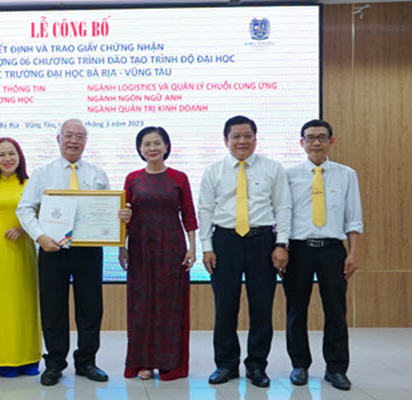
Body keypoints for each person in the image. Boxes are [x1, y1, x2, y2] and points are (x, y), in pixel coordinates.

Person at [16, 118, 132, 386]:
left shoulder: (97, 173)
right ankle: (55, 363)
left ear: (86, 142)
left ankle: (87, 361)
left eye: (80, 136)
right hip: (52, 248)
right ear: (58, 139)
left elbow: (108, 211)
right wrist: (41, 237)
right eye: (68, 135)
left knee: (91, 307)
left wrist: (121, 217)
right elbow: (24, 208)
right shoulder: (43, 173)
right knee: (53, 307)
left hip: (89, 250)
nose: (74, 141)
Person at [198, 115, 291, 388]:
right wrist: (207, 247)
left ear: (255, 138)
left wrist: (281, 244)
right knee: (225, 306)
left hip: (262, 242)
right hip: (225, 242)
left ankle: (257, 366)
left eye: (247, 135)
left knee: (261, 307)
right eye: (236, 136)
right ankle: (226, 364)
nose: (242, 141)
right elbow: (205, 210)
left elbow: (283, 207)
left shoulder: (273, 169)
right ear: (225, 140)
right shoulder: (214, 171)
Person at [283, 119, 363, 391]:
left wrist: (353, 253)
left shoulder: (346, 174)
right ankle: (299, 365)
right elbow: (282, 216)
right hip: (298, 250)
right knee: (296, 310)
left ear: (331, 141)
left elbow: (353, 217)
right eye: (310, 137)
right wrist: (282, 248)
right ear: (301, 142)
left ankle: (336, 368)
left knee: (336, 311)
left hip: (332, 250)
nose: (316, 142)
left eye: (321, 137)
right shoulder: (289, 175)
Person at [118, 127, 197, 381]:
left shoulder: (179, 178)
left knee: (170, 304)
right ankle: (143, 362)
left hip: (172, 248)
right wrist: (121, 246)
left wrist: (192, 247)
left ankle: (169, 363)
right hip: (140, 248)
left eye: (157, 143)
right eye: (147, 144)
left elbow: (189, 214)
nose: (152, 148)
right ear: (140, 149)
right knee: (141, 305)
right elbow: (124, 215)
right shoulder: (132, 179)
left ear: (166, 146)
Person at [0, 138, 41, 377]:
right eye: (1, 154)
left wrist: (23, 228)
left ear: (20, 156)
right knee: (0, 304)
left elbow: (43, 213)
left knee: (26, 303)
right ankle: (3, 358)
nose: (7, 159)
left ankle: (29, 357)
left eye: (11, 153)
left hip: (24, 249)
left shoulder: (31, 183)